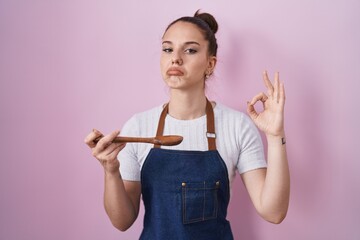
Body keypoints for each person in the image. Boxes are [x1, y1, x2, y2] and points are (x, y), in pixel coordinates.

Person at [84, 10, 290, 240]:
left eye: (190, 50)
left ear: (210, 64)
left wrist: (275, 136)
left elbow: (274, 212)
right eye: (167, 49)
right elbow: (121, 221)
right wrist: (110, 170)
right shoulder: (138, 127)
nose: (176, 58)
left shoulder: (237, 126)